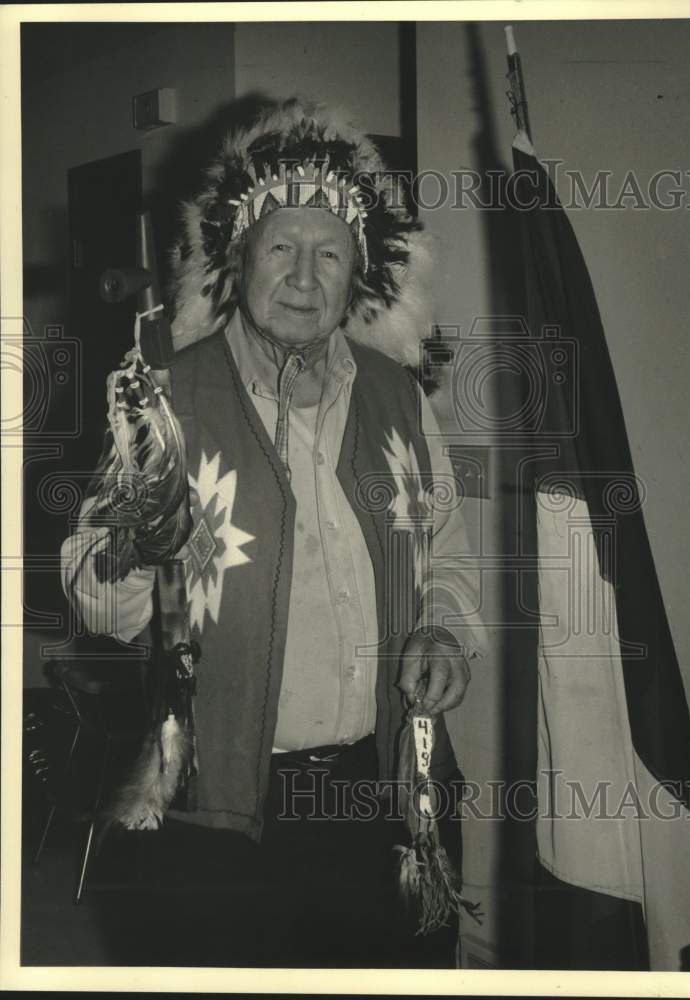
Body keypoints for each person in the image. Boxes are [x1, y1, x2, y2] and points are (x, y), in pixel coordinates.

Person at [60, 99, 484, 968]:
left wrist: (443, 625)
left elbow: (445, 552)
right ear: (238, 258)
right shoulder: (167, 396)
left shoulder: (398, 397)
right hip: (218, 812)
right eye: (281, 248)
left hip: (386, 791)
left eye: (329, 253)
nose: (303, 275)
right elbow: (97, 601)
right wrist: (139, 541)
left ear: (358, 272)